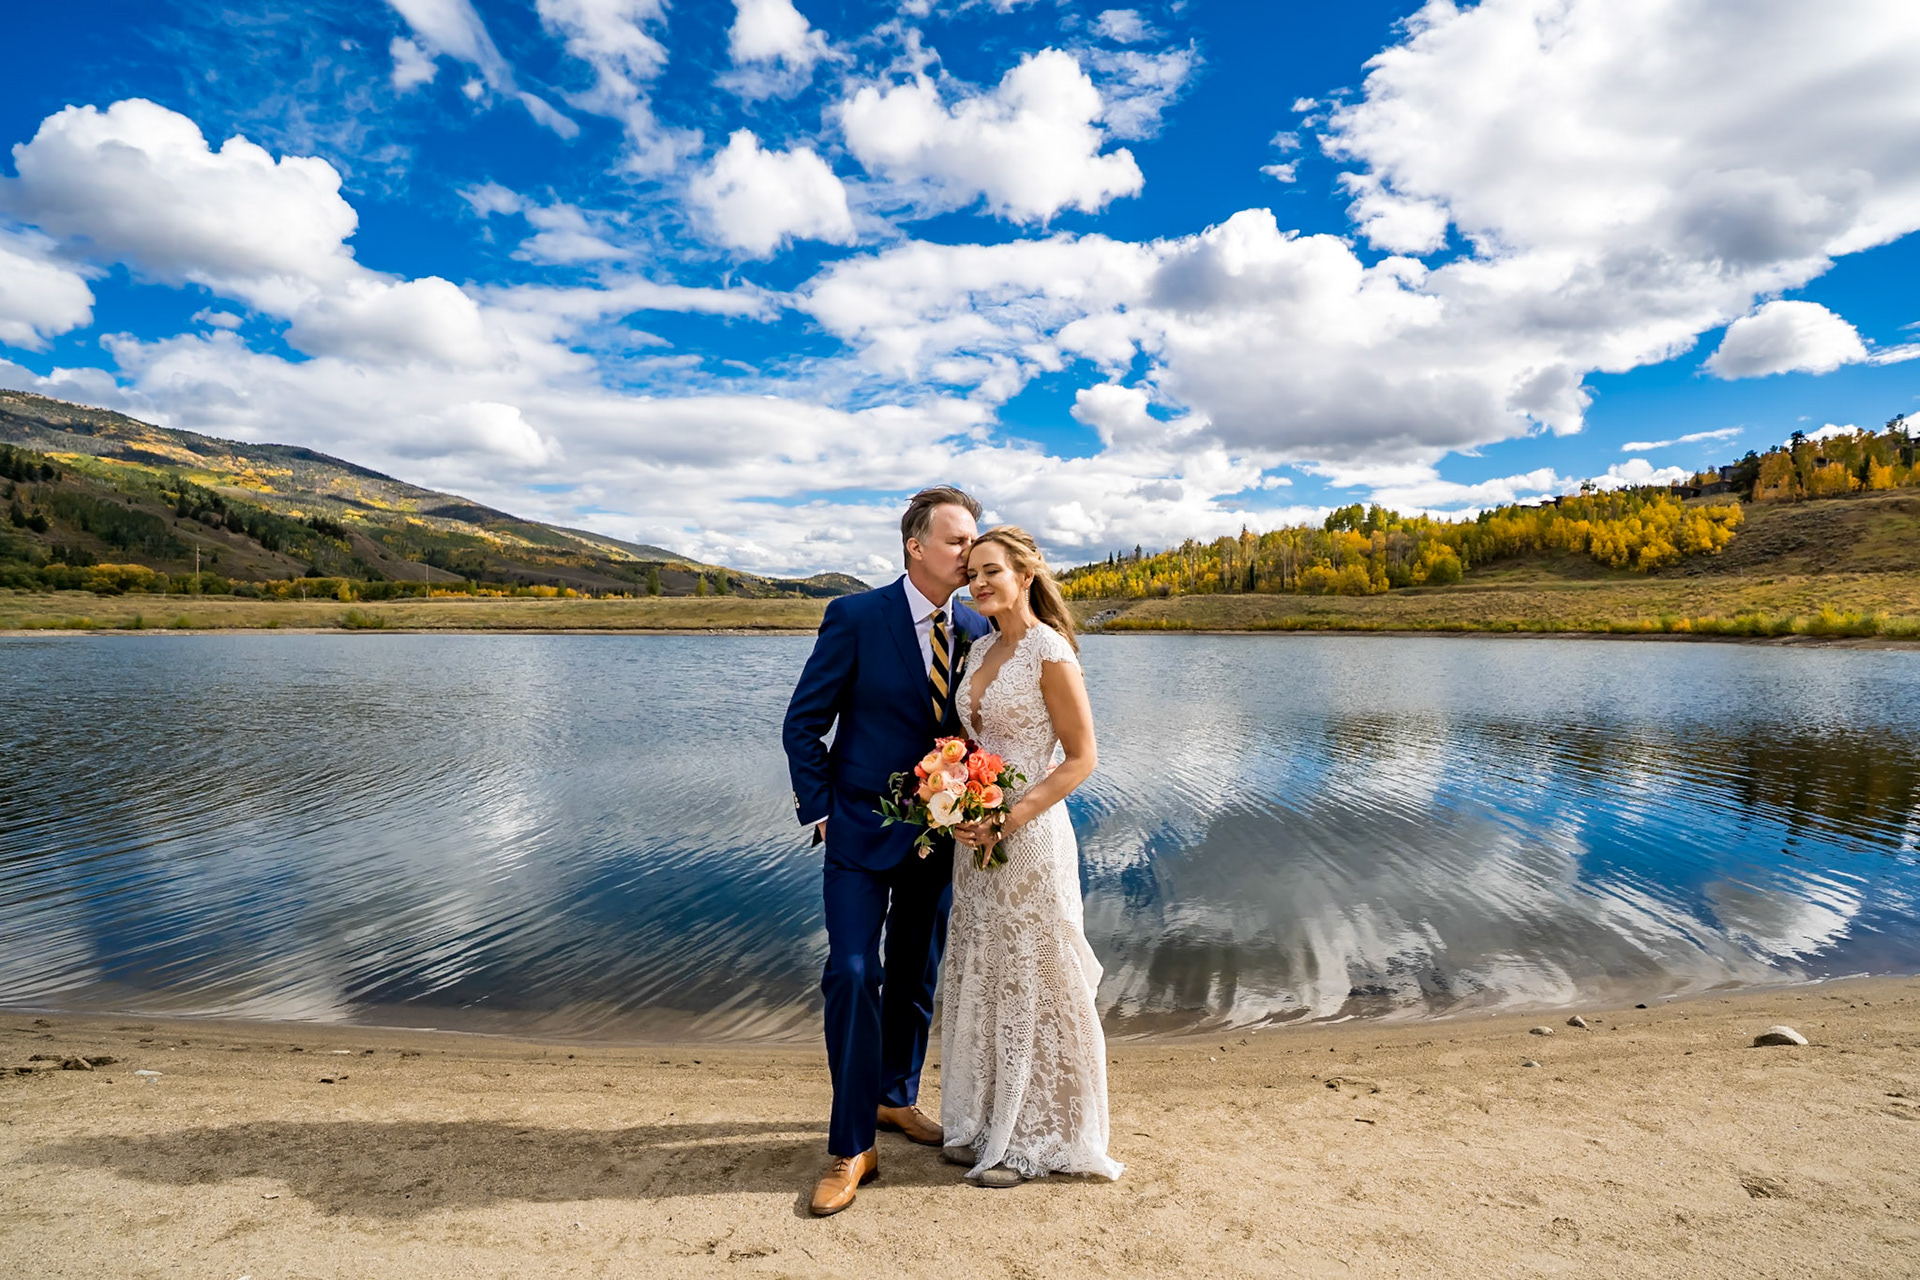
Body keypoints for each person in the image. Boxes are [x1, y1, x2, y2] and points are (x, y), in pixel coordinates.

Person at [781, 485, 995, 1217]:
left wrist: (982, 801)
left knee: (915, 974)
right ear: (916, 546)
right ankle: (851, 1148)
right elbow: (802, 725)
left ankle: (896, 1099)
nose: (971, 552)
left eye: (974, 540)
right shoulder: (855, 616)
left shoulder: (976, 624)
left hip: (939, 837)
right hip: (856, 828)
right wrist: (821, 813)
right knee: (849, 973)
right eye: (959, 541)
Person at [943, 526, 1122, 1187]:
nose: (979, 582)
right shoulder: (983, 645)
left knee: (1035, 973)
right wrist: (954, 796)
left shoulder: (1050, 650)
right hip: (977, 838)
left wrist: (1007, 819)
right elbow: (971, 742)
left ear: (1026, 574)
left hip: (1029, 834)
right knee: (985, 970)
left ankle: (1032, 1139)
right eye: (971, 574)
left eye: (991, 570)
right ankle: (985, 1121)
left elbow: (1081, 759)